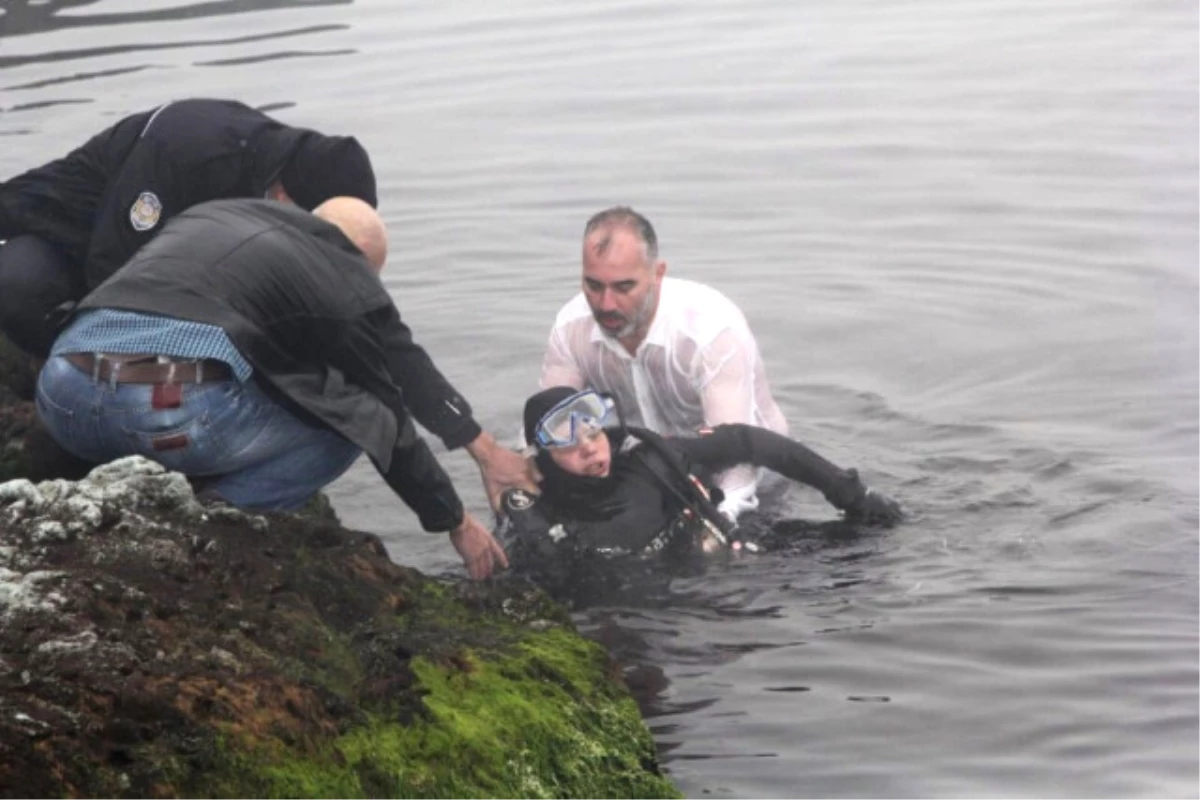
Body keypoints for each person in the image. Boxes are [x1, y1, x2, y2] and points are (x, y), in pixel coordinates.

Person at [34, 196, 530, 579]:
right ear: (359, 261)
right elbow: (387, 407)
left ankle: (149, 486)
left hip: (62, 394)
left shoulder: (216, 214)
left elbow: (402, 361)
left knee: (248, 380)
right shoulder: (339, 272)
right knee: (354, 422)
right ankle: (212, 522)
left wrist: (483, 450)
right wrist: (454, 520)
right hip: (164, 409)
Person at [0, 98, 377, 358]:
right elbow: (115, 268)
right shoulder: (194, 153)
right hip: (68, 238)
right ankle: (60, 387)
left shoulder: (281, 164)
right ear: (285, 196)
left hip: (150, 250)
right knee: (18, 286)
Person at [498, 386, 901, 596]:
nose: (589, 446)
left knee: (866, 551)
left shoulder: (652, 461)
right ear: (542, 456)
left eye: (593, 430)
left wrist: (849, 492)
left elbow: (747, 441)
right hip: (660, 615)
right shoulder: (538, 514)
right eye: (568, 443)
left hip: (725, 571)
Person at [540, 206, 789, 523]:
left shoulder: (710, 332)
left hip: (756, 482)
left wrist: (720, 521)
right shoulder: (570, 329)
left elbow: (736, 460)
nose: (605, 304)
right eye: (593, 285)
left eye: (624, 287)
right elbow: (551, 424)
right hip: (644, 471)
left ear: (658, 274)